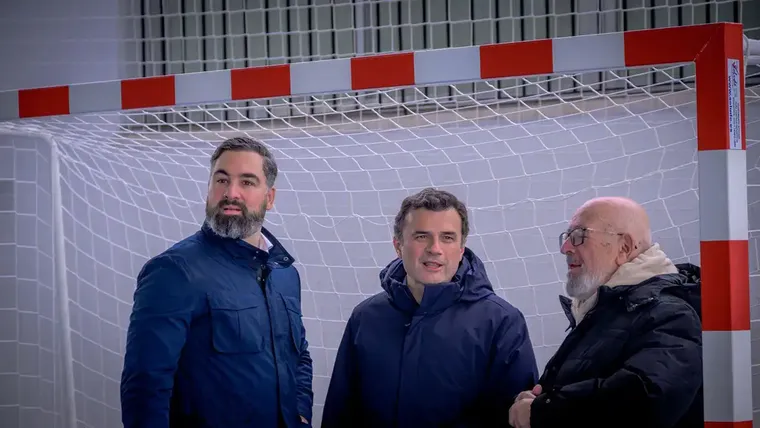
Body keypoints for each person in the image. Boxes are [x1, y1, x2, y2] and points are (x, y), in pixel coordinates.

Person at [120, 137, 313, 428]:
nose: (231, 193)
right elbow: (146, 386)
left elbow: (299, 356)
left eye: (247, 182)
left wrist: (300, 412)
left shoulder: (285, 273)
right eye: (222, 180)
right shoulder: (174, 272)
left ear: (270, 198)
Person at [321, 187, 539, 427]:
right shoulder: (365, 318)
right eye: (421, 236)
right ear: (398, 245)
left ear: (461, 248)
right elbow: (340, 413)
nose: (435, 248)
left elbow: (518, 420)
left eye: (447, 237)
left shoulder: (502, 322)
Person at [508, 196, 703, 428]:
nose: (565, 248)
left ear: (624, 247)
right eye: (567, 236)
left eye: (579, 235)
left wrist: (543, 411)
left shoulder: (671, 315)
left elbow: (644, 397)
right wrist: (536, 400)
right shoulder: (602, 311)